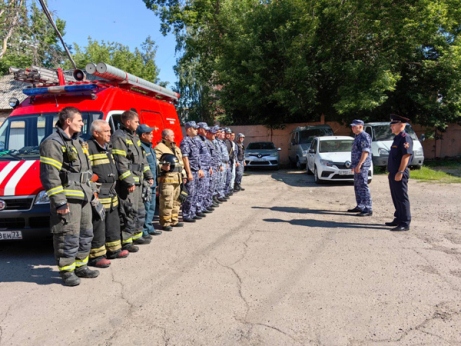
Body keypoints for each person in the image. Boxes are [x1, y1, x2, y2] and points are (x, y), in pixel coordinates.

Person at [40, 107, 99, 286]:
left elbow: (86, 171)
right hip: (68, 198)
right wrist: (59, 202)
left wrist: (92, 191)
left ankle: (81, 266)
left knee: (86, 233)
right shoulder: (53, 143)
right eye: (79, 120)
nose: (82, 123)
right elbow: (50, 175)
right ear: (68, 121)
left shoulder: (79, 142)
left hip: (84, 195)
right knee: (68, 235)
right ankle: (67, 271)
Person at [87, 120, 130, 268]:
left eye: (109, 131)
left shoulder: (107, 147)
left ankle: (114, 249)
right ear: (96, 133)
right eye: (106, 131)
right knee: (98, 225)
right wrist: (93, 192)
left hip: (111, 192)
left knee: (113, 222)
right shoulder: (89, 148)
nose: (109, 133)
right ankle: (97, 256)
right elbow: (87, 173)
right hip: (99, 193)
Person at [111, 110, 154, 250]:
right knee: (129, 211)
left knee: (140, 210)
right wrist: (128, 181)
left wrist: (149, 176)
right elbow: (121, 162)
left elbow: (143, 160)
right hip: (129, 184)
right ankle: (127, 240)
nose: (138, 124)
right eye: (136, 122)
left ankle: (137, 235)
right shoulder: (119, 137)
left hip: (140, 181)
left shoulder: (135, 138)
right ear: (128, 122)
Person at [386, 114, 413, 231]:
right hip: (394, 172)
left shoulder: (405, 137)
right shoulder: (397, 138)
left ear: (401, 124)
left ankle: (405, 222)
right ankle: (398, 218)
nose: (391, 126)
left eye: (394, 124)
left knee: (402, 197)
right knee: (395, 197)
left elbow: (406, 155)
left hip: (400, 172)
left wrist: (400, 171)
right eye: (391, 124)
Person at [154, 128, 185, 230]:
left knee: (177, 201)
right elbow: (156, 162)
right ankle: (165, 222)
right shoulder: (159, 148)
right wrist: (162, 166)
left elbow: (181, 163)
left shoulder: (175, 148)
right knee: (167, 201)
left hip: (178, 178)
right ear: (166, 137)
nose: (174, 137)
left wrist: (183, 175)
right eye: (172, 135)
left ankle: (174, 220)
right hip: (167, 179)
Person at [137, 124, 162, 237]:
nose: (152, 135)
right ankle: (143, 230)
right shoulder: (140, 147)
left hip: (153, 182)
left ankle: (149, 227)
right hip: (145, 182)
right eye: (149, 133)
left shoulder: (149, 147)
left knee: (152, 206)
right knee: (146, 207)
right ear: (143, 135)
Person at [180, 121, 205, 222]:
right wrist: (189, 173)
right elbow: (185, 158)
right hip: (191, 171)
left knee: (195, 193)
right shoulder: (186, 141)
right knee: (189, 193)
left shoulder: (194, 140)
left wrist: (199, 169)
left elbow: (197, 157)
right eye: (194, 128)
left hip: (196, 170)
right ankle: (186, 214)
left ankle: (192, 212)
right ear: (189, 129)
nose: (196, 130)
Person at [347, 119, 373, 216]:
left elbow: (365, 152)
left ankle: (368, 208)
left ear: (361, 126)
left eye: (354, 126)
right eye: (352, 126)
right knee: (357, 186)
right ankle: (360, 205)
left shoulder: (364, 136)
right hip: (357, 165)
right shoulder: (357, 136)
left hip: (362, 165)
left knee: (363, 185)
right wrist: (354, 165)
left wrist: (359, 165)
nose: (352, 128)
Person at [196, 122, 214, 214]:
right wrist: (199, 168)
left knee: (205, 188)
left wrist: (210, 167)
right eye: (204, 129)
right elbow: (197, 156)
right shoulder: (197, 140)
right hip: (201, 168)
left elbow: (208, 155)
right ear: (199, 129)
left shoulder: (204, 140)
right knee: (200, 189)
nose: (206, 131)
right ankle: (198, 208)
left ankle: (202, 206)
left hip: (207, 167)